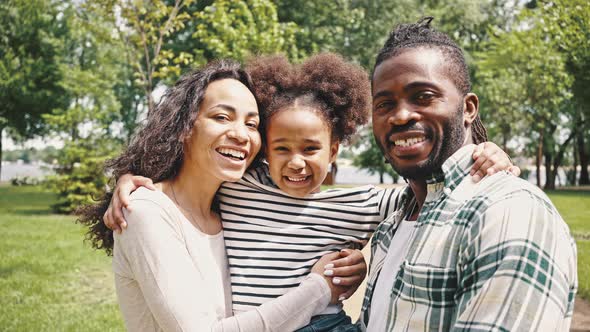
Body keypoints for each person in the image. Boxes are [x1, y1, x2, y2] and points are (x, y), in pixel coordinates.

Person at [105, 53, 520, 331]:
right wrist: (132, 179)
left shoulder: (354, 202)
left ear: (334, 150)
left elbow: (425, 190)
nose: (296, 162)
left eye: (251, 123)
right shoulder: (229, 193)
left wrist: (481, 152)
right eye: (280, 148)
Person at [78, 60, 367, 332]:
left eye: (252, 124)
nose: (241, 134)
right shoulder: (145, 211)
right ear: (185, 126)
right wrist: (320, 287)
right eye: (221, 117)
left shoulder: (230, 206)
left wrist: (345, 262)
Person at [352, 17, 577, 331]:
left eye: (423, 97)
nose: (400, 115)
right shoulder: (394, 223)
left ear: (469, 108)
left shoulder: (506, 212)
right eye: (384, 104)